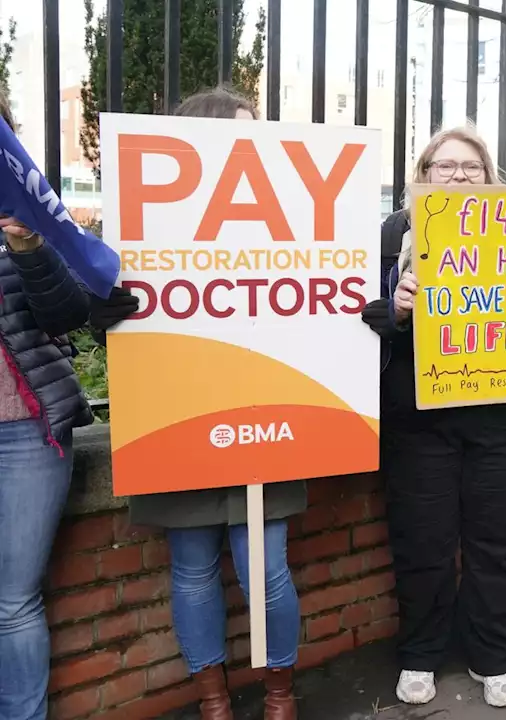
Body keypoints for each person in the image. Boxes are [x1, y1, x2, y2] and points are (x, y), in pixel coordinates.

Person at [370, 125, 506, 709]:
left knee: (497, 542)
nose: (459, 176)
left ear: (490, 177)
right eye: (446, 166)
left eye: (472, 167)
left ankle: (493, 655)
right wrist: (397, 309)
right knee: (423, 541)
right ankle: (420, 652)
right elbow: (357, 312)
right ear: (424, 174)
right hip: (421, 417)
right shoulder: (392, 234)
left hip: (503, 418)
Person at [113, 88, 301, 720]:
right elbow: (108, 306)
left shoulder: (292, 217)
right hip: (181, 412)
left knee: (267, 569)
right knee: (192, 570)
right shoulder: (144, 222)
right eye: (241, 135)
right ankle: (213, 702)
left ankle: (280, 693)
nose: (254, 147)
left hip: (263, 412)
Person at [0, 93, 94, 720]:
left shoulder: (21, 202)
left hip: (22, 436)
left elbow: (69, 314)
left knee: (12, 602)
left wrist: (30, 248)